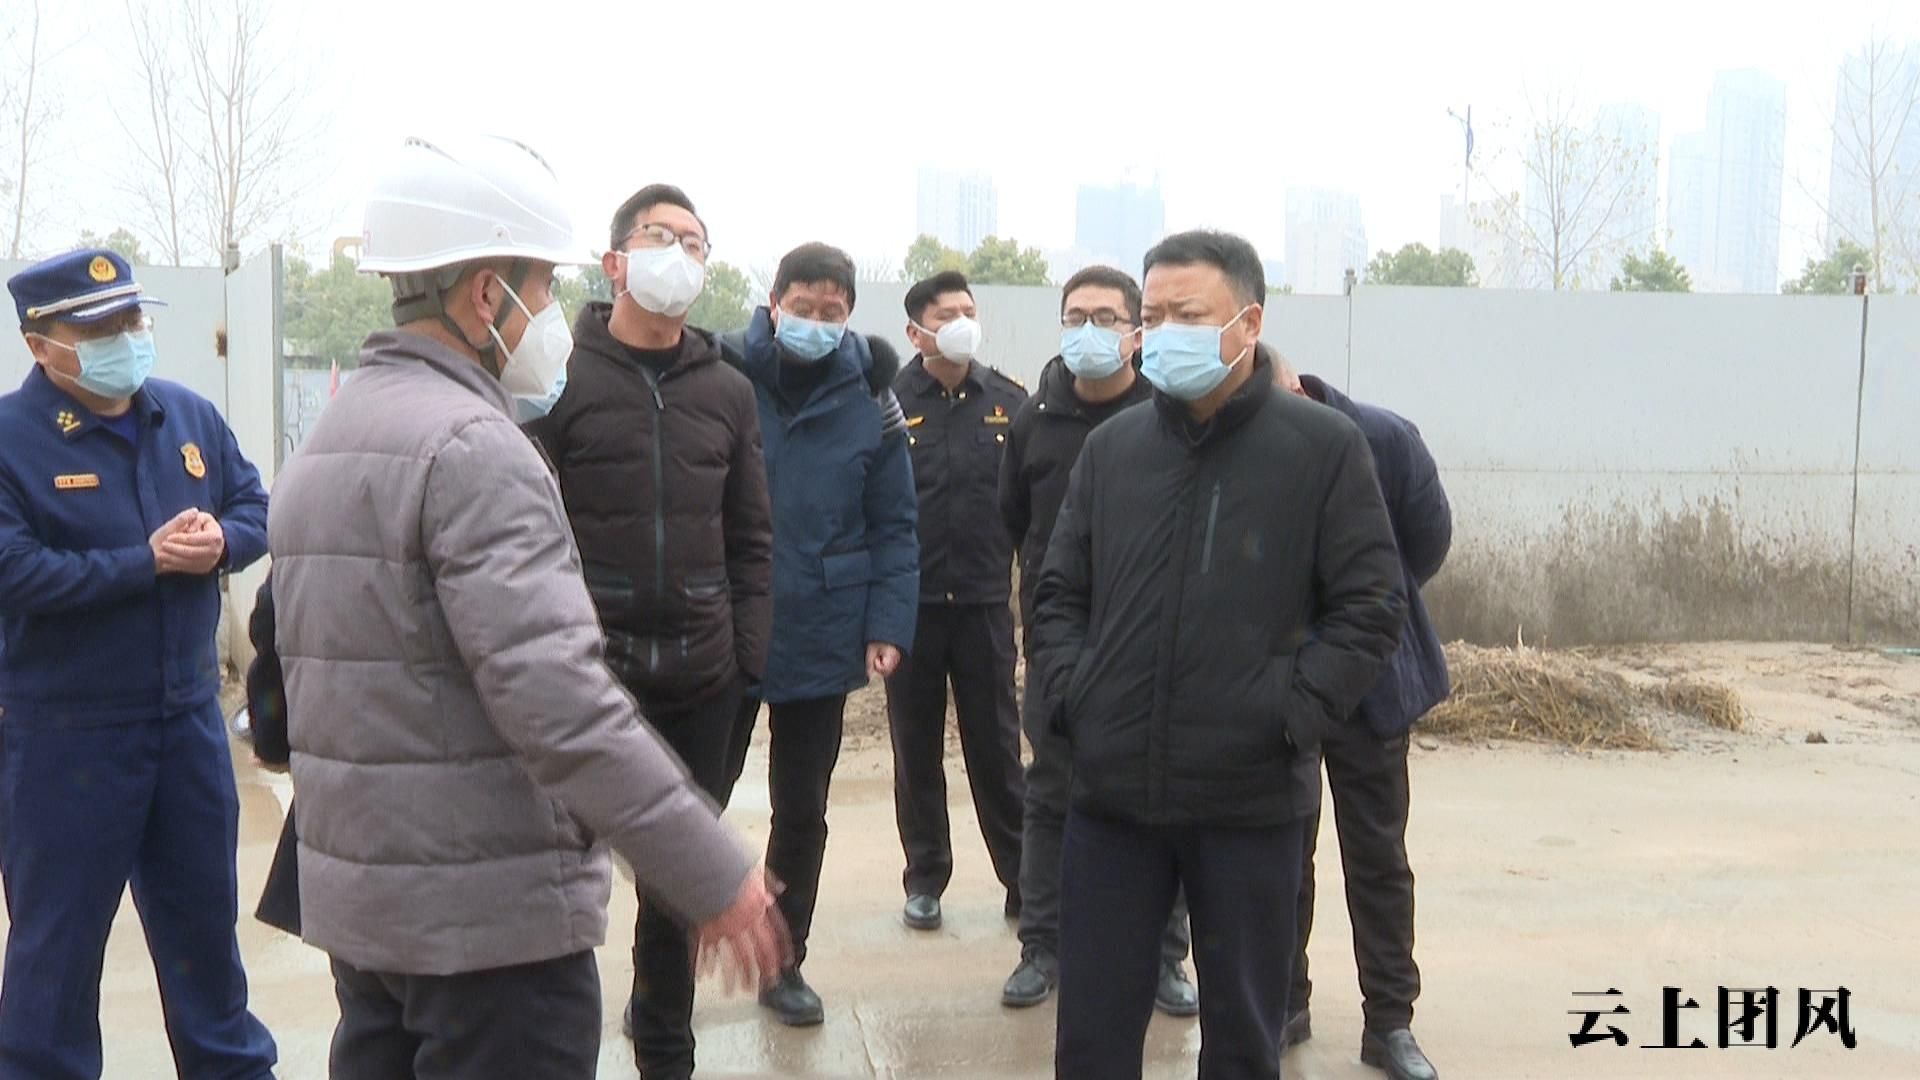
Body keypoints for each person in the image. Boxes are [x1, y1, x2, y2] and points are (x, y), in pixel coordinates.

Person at [268, 134, 787, 1079]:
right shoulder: (474, 448)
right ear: (485, 295)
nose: (552, 313)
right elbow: (562, 708)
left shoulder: (332, 437)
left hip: (371, 917)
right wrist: (713, 872)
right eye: (543, 288)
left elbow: (289, 681)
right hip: (490, 933)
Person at [1031, 229, 1408, 1080]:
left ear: (1248, 323)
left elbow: (1371, 605)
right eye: (1154, 314)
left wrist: (1290, 714)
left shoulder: (1321, 447)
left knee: (1243, 1042)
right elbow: (1058, 594)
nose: (1165, 332)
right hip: (1113, 795)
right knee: (1090, 1042)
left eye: (1189, 314)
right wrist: (1073, 699)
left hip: (1249, 801)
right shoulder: (1113, 449)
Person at [0, 248, 279, 1079]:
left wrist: (224, 540)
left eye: (131, 319)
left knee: (206, 943)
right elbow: (14, 570)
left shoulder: (186, 417)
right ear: (41, 344)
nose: (125, 337)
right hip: (66, 738)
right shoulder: (10, 441)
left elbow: (255, 505)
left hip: (186, 724)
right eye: (100, 328)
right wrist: (144, 563)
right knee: (56, 958)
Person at [528, 181, 773, 1080]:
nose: (680, 255)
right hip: (591, 679)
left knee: (677, 884)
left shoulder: (729, 391)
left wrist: (746, 661)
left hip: (703, 679)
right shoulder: (559, 381)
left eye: (695, 244)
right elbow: (529, 530)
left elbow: (752, 537)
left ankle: (665, 1043)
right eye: (661, 236)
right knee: (558, 877)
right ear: (616, 262)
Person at [717, 242, 919, 1026]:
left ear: (850, 317)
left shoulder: (872, 395)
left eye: (832, 311)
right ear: (774, 304)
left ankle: (783, 961)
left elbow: (894, 523)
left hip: (824, 629)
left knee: (801, 811)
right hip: (727, 624)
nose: (816, 321)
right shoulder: (724, 375)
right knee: (692, 807)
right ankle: (659, 977)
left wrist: (887, 622)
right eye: (803, 307)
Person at [997, 265, 1197, 1016]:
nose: (1090, 330)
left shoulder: (1168, 416)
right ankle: (1041, 946)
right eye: (1076, 316)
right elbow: (1014, 519)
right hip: (1059, 647)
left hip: (1152, 649)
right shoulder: (1032, 420)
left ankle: (1165, 958)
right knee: (1050, 795)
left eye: (1106, 318)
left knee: (1164, 802)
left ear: (1136, 333)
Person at [1276, 359, 1450, 1080]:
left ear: (1295, 390)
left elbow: (1426, 542)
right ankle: (1285, 1003)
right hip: (1282, 685)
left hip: (1370, 683)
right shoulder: (1246, 443)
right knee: (1282, 853)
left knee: (1377, 857)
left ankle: (1390, 1022)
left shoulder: (1382, 438)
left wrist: (1369, 614)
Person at [885, 270, 1028, 933]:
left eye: (969, 310)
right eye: (947, 314)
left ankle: (1023, 877)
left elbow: (1028, 507)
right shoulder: (888, 403)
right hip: (910, 609)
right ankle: (925, 877)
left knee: (997, 748)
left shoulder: (1009, 402)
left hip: (984, 604)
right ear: (917, 331)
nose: (962, 322)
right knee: (915, 749)